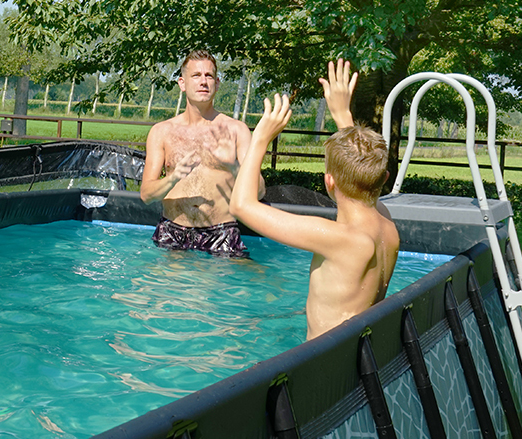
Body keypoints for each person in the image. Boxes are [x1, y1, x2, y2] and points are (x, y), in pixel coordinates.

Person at [230, 59, 400, 341]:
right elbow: (361, 166)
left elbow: (241, 205)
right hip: (357, 359)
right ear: (383, 179)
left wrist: (259, 138)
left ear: (328, 182)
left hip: (323, 369)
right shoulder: (388, 228)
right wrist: (342, 113)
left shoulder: (336, 238)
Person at [140, 50, 262, 258]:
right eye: (196, 75)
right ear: (182, 83)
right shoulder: (161, 132)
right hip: (172, 233)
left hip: (222, 234)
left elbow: (259, 191)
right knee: (162, 290)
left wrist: (235, 167)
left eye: (209, 76)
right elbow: (146, 195)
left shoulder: (236, 130)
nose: (203, 81)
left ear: (217, 83)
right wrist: (173, 178)